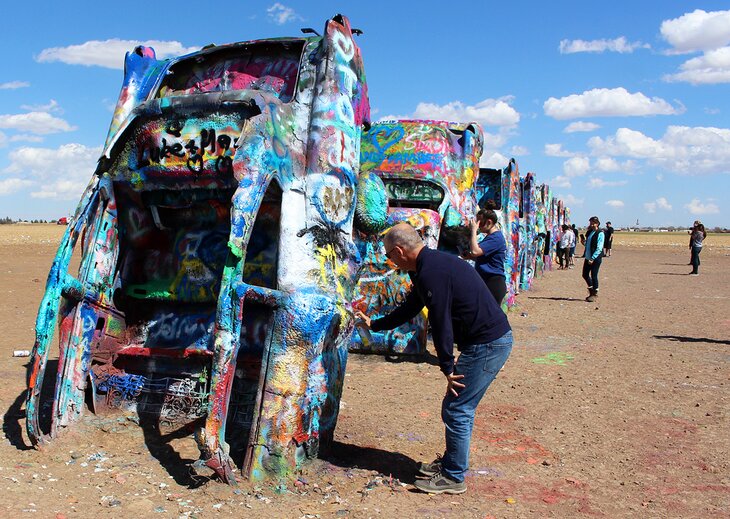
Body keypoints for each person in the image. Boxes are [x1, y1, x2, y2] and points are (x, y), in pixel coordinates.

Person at [356, 223, 512, 495]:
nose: (388, 261)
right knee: (459, 406)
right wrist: (377, 325)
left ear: (399, 251)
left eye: (388, 255)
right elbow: (411, 307)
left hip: (488, 344)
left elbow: (440, 322)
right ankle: (452, 464)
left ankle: (453, 477)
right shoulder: (427, 267)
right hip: (487, 341)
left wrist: (447, 366)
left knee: (457, 408)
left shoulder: (431, 271)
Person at [465, 209, 507, 305]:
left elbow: (475, 251)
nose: (478, 225)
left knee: (491, 317)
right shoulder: (490, 237)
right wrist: (470, 257)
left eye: (480, 222)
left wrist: (473, 231)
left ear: (489, 222)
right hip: (486, 281)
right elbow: (486, 258)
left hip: (493, 282)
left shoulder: (496, 238)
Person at [582, 216, 604, 302]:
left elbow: (599, 247)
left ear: (597, 223)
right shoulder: (590, 232)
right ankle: (591, 290)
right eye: (591, 222)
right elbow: (588, 244)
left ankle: (594, 293)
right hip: (588, 257)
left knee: (594, 275)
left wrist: (593, 258)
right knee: (585, 274)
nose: (592, 224)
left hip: (595, 258)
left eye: (593, 223)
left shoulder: (600, 233)